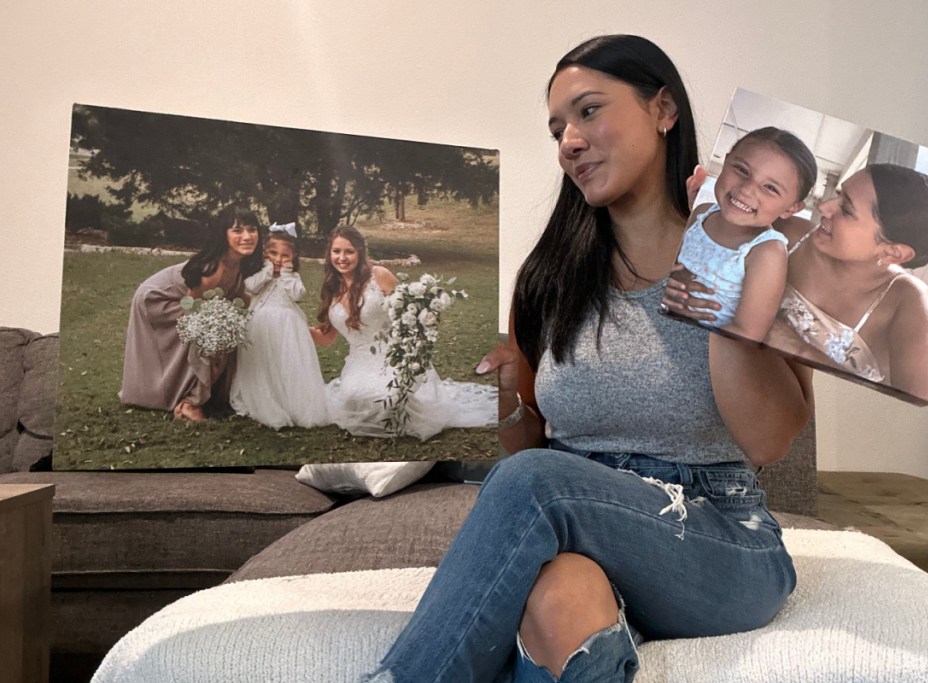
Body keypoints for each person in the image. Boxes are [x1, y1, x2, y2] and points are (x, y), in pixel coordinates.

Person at [363, 35, 813, 682]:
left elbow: (769, 439)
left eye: (589, 111)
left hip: (717, 536)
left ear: (663, 110)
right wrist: (507, 398)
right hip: (585, 531)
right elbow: (531, 451)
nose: (569, 141)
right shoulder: (549, 278)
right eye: (557, 129)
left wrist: (718, 274)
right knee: (557, 597)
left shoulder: (760, 258)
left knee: (536, 484)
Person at [672, 163, 928, 402]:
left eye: (846, 209)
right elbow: (702, 242)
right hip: (702, 374)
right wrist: (679, 271)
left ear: (892, 252)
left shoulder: (908, 302)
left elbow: (907, 413)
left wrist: (795, 347)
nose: (824, 206)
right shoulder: (788, 233)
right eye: (839, 194)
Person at [311, 225, 497, 440]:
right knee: (354, 398)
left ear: (360, 252)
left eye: (349, 251)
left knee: (386, 397)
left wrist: (415, 347)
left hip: (394, 354)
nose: (342, 257)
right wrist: (293, 326)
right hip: (358, 360)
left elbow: (409, 313)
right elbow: (326, 337)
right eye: (337, 251)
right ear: (329, 254)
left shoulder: (378, 275)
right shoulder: (331, 288)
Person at [669, 127, 816, 341]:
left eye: (770, 187)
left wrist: (685, 324)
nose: (746, 189)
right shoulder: (701, 213)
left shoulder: (767, 251)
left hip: (705, 353)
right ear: (726, 161)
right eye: (741, 169)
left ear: (790, 209)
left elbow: (748, 333)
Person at [119, 205, 263, 422]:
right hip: (159, 300)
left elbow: (240, 297)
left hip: (192, 304)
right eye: (237, 231)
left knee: (223, 330)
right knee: (210, 339)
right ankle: (190, 402)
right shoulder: (213, 270)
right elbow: (193, 312)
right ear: (223, 235)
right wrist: (216, 340)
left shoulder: (240, 263)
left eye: (252, 230)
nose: (247, 236)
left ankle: (210, 395)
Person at [229, 222, 329, 428]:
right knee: (263, 360)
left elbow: (298, 294)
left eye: (285, 256)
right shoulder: (260, 274)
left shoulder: (292, 277)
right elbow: (251, 287)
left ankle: (288, 400)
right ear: (265, 253)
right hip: (260, 324)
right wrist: (267, 272)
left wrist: (286, 274)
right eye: (273, 254)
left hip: (287, 326)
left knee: (286, 362)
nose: (278, 259)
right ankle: (263, 397)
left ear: (292, 258)